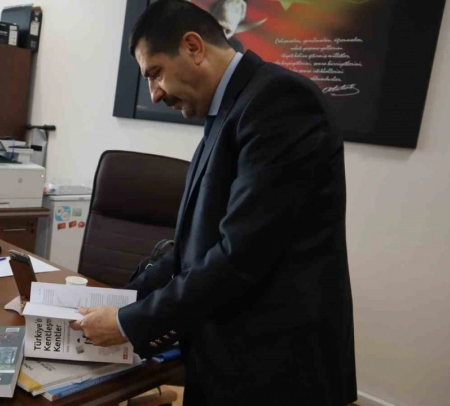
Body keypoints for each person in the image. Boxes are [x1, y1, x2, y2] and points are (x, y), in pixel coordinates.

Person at [70, 0, 357, 404]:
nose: (154, 94)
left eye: (155, 73)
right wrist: (119, 302)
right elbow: (193, 248)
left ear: (193, 47)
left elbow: (239, 255)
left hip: (278, 370)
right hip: (229, 356)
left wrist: (127, 322)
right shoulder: (229, 110)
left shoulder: (280, 102)